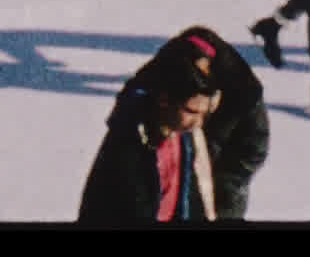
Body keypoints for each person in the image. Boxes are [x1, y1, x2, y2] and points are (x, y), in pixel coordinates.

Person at [76, 44, 223, 225]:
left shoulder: (182, 136)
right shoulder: (130, 142)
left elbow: (189, 195)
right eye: (192, 111)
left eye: (204, 114)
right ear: (164, 100)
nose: (198, 123)